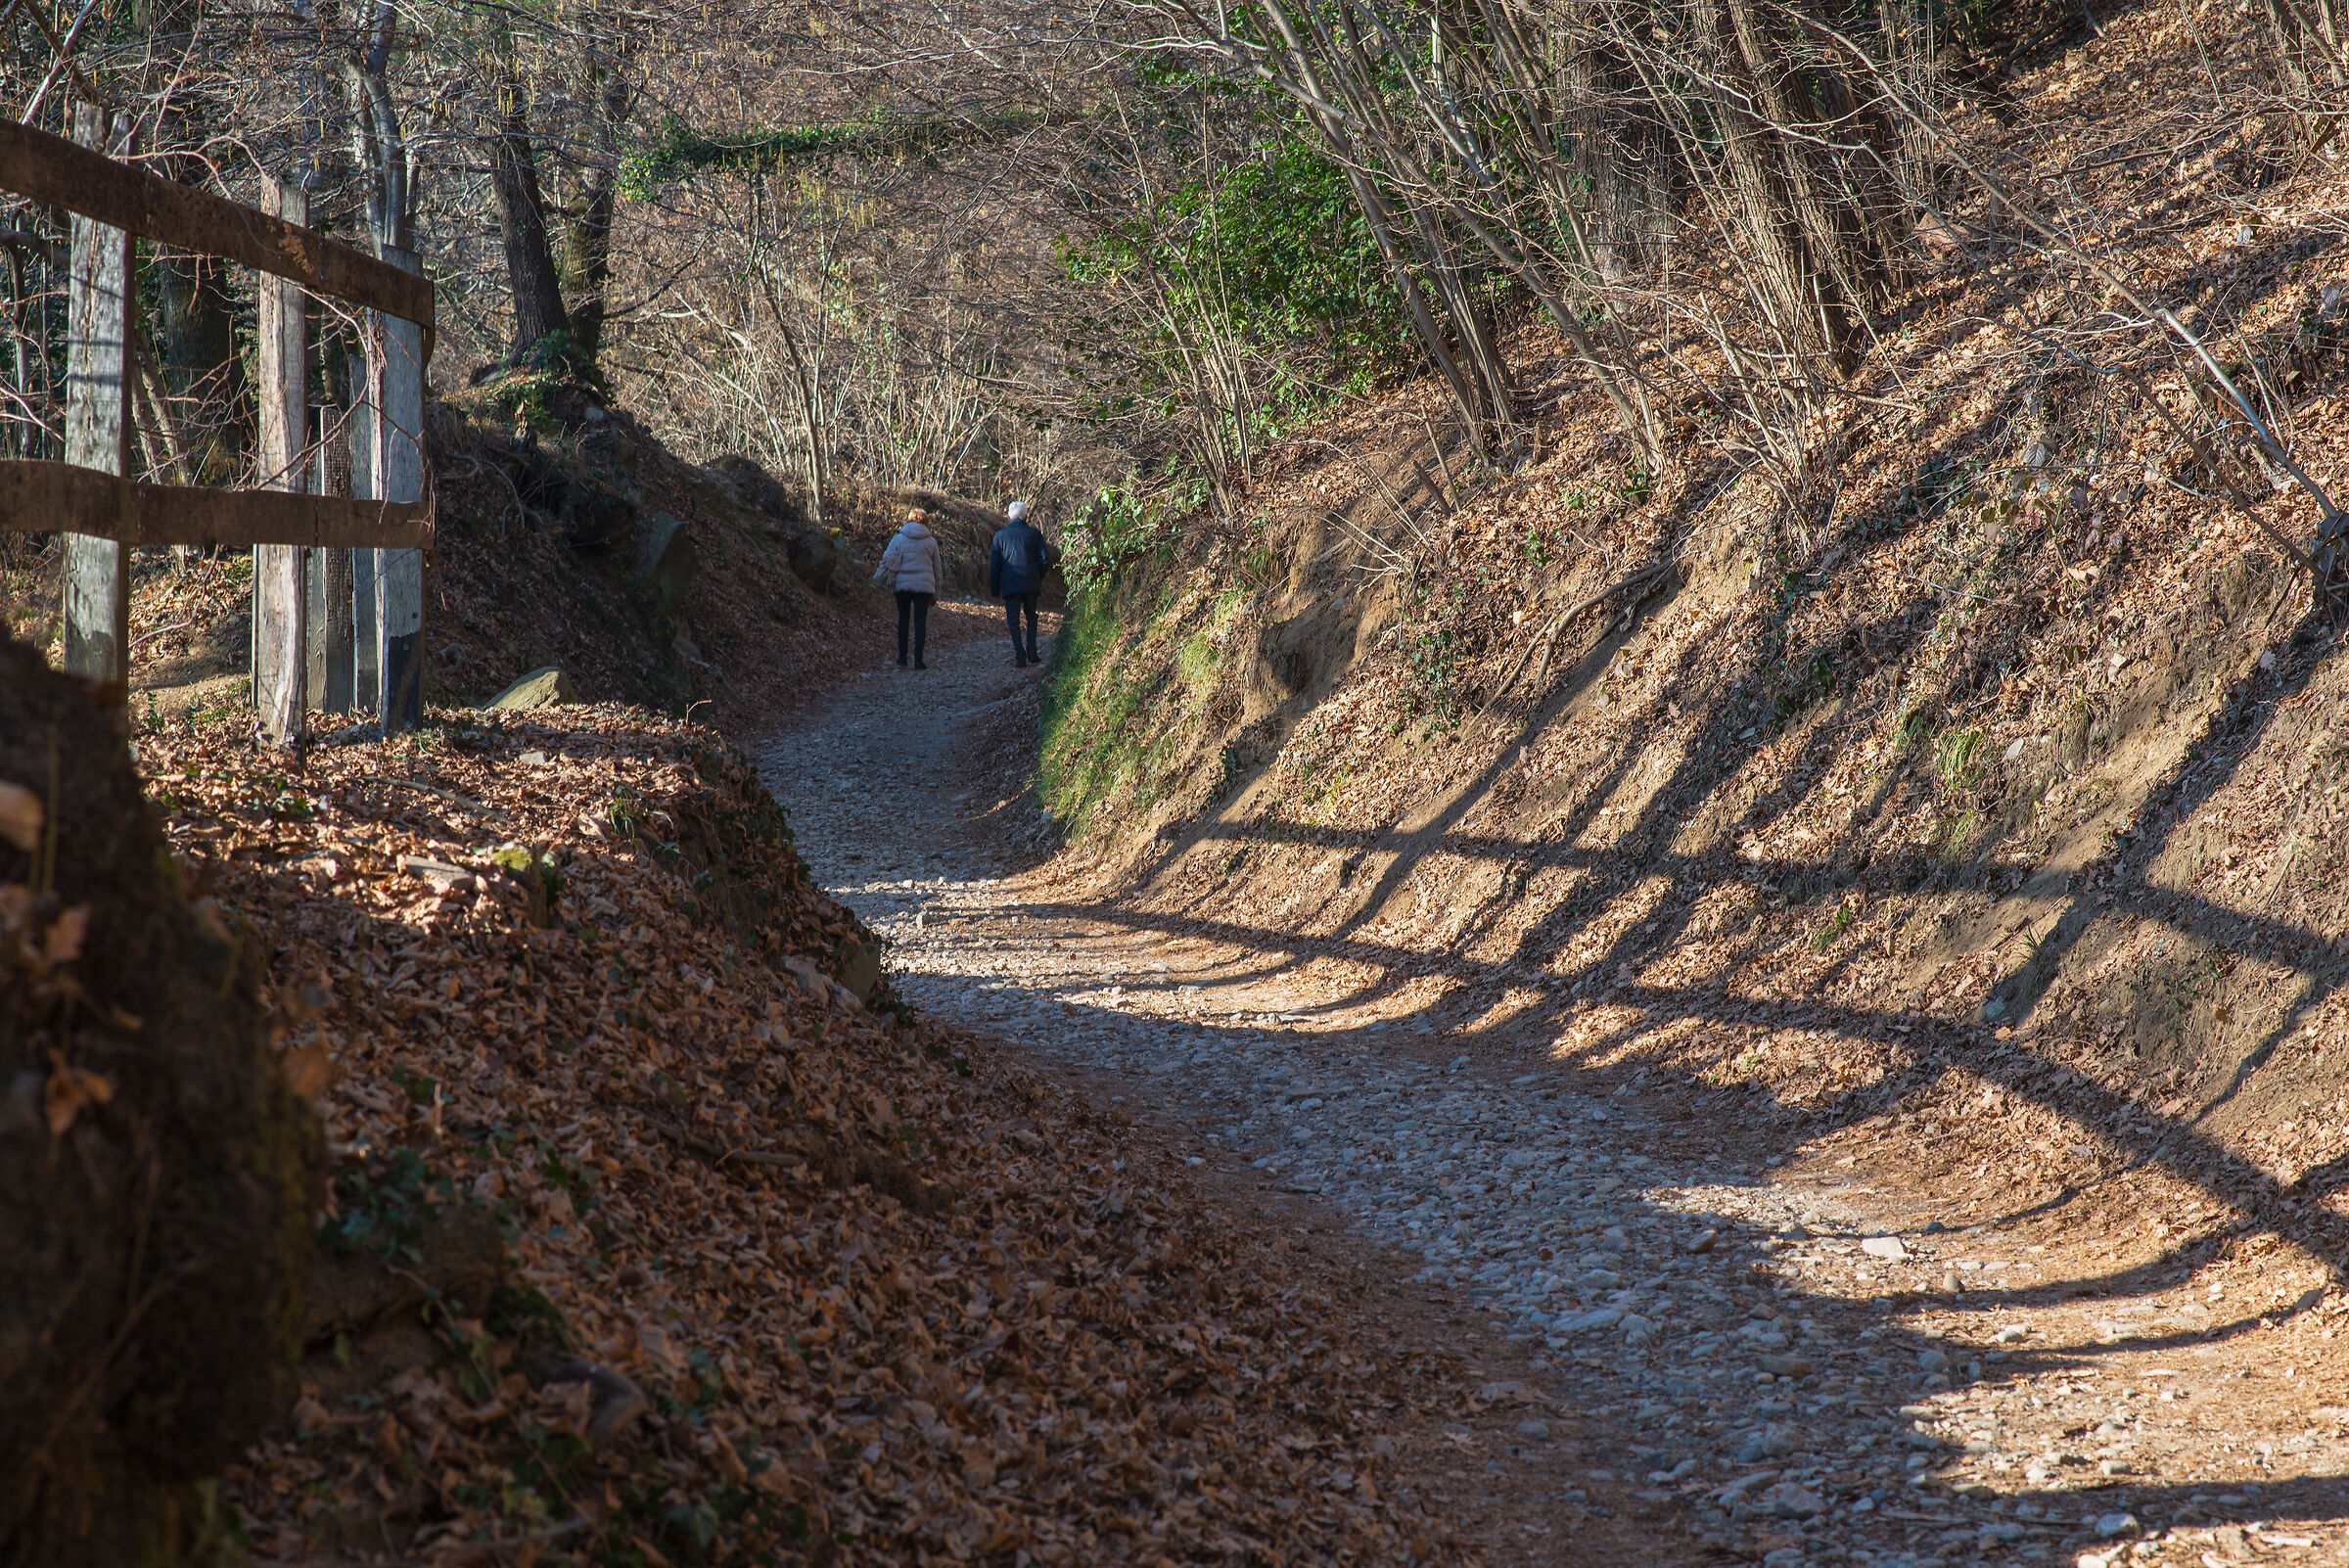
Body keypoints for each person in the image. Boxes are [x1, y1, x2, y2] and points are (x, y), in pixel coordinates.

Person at [988, 499, 1059, 668]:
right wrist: (1037, 576)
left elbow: (995, 565)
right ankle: (1032, 650)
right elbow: (1045, 560)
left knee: (1013, 620)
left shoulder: (1000, 536)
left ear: (1009, 518)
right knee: (1031, 616)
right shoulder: (1035, 534)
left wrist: (995, 588)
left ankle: (1020, 655)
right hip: (1030, 584)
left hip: (1009, 584)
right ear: (1026, 517)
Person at [872, 508, 944, 669]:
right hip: (924, 587)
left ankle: (902, 658)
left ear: (909, 520)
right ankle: (918, 660)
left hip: (902, 586)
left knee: (903, 621)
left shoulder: (898, 538)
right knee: (920, 622)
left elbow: (886, 559)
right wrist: (936, 594)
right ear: (926, 522)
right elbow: (937, 570)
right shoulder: (931, 542)